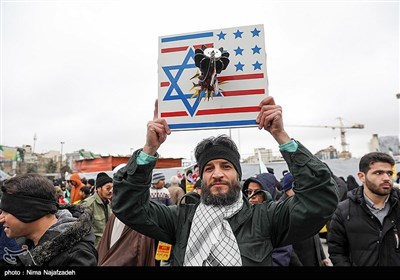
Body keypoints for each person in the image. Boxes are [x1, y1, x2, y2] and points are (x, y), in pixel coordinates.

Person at [112, 96, 338, 266]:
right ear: (201, 178)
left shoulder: (267, 218)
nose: (217, 173)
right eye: (209, 168)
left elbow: (319, 200)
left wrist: (282, 137)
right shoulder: (181, 219)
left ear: (238, 175)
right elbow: (129, 207)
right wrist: (149, 150)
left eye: (226, 166)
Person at [0, 174, 98, 266]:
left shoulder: (77, 258)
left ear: (30, 212)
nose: (1, 219)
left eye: (7, 212)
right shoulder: (24, 241)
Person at [328, 152, 400, 266]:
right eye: (378, 173)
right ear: (362, 177)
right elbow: (337, 252)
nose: (387, 178)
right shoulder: (343, 211)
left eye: (389, 173)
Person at [81, 172, 113, 248]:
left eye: (112, 188)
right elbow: (82, 231)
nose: (111, 191)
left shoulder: (109, 204)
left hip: (107, 247)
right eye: (108, 188)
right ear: (98, 188)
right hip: (94, 249)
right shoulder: (88, 204)